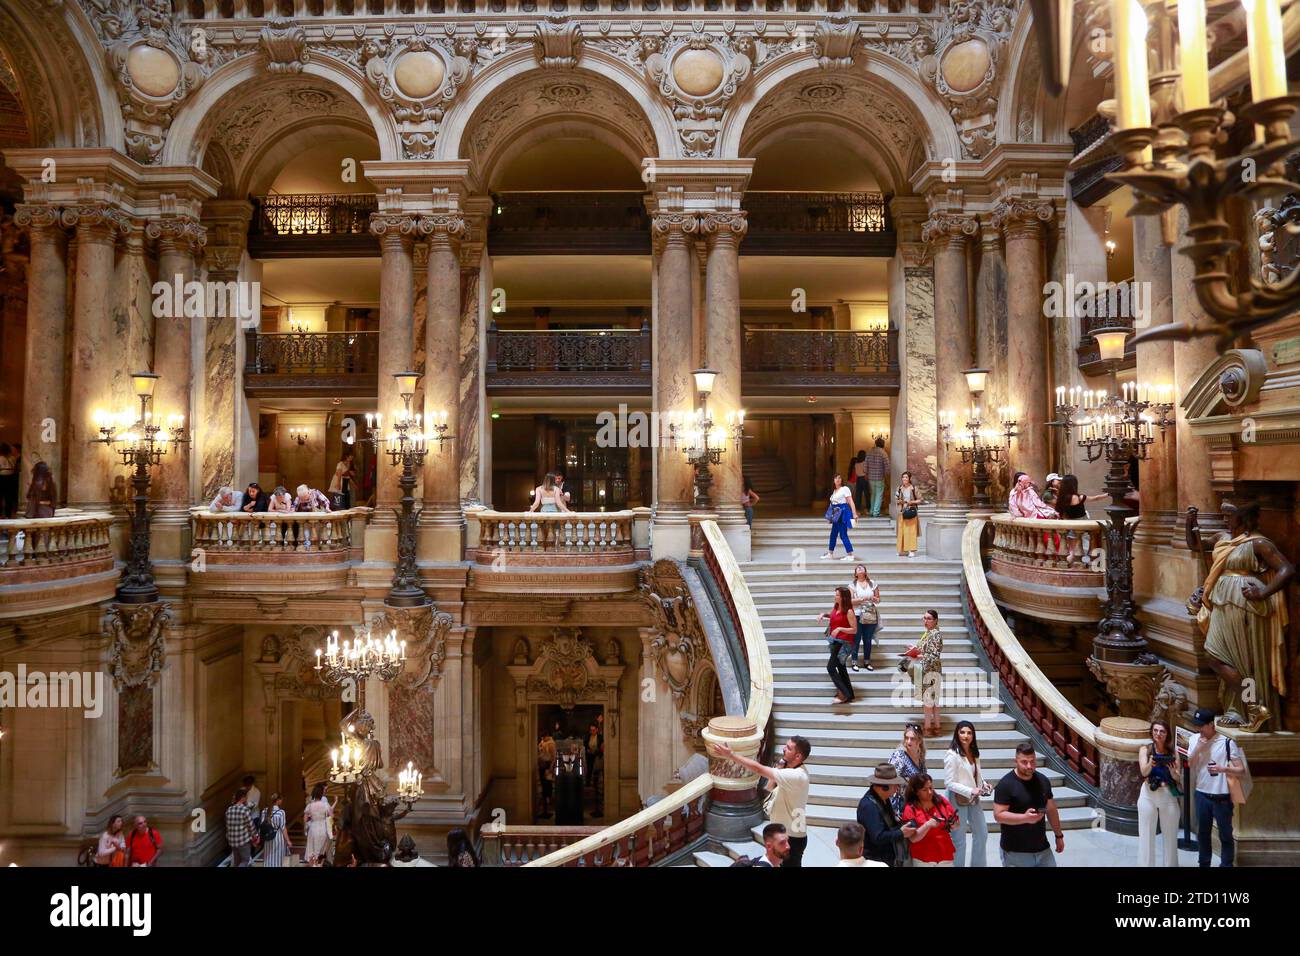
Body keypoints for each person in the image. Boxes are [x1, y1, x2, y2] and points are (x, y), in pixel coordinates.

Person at [1187, 501, 1294, 731]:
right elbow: (1195, 545)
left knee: (1239, 661)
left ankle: (1251, 709)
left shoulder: (1258, 543)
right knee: (1216, 656)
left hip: (1245, 605)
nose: (1225, 519)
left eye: (1230, 515)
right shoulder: (1221, 538)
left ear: (1243, 517)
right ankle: (1250, 707)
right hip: (1223, 602)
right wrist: (1189, 522)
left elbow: (1287, 569)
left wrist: (1263, 591)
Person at [712, 736, 811, 868]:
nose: (783, 749)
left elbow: (759, 769)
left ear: (798, 756)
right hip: (785, 834)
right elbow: (769, 788)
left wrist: (731, 755)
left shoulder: (797, 776)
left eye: (788, 748)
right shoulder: (789, 771)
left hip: (792, 837)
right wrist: (780, 767)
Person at [1187, 707, 1247, 867]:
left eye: (1201, 726)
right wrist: (1199, 748)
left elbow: (1241, 770)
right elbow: (1190, 764)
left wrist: (1223, 769)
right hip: (1201, 794)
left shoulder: (1227, 742)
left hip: (1222, 797)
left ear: (1211, 725)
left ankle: (1226, 865)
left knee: (1226, 835)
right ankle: (1204, 863)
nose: (1198, 729)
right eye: (1196, 725)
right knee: (1203, 834)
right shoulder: (1194, 740)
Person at [993, 742, 1064, 867]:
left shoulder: (1043, 781)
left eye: (1032, 761)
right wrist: (1025, 818)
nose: (1029, 766)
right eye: (1024, 762)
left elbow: (1051, 809)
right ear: (1016, 760)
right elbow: (999, 815)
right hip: (1015, 851)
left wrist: (1059, 835)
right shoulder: (1006, 784)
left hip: (1042, 849)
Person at [944, 720, 991, 867]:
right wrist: (970, 790)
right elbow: (949, 783)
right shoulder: (952, 755)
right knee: (959, 839)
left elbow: (975, 775)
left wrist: (984, 785)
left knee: (982, 833)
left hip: (973, 798)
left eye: (969, 733)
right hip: (957, 798)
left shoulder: (975, 752)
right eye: (962, 732)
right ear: (957, 734)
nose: (966, 735)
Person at [1137, 719, 1182, 867]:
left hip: (1167, 794)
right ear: (1152, 732)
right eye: (1156, 730)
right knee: (1146, 837)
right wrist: (1151, 763)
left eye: (1162, 731)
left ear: (1167, 734)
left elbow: (1177, 777)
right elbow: (1143, 771)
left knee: (1170, 838)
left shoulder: (1174, 752)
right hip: (1148, 794)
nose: (1158, 734)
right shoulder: (1145, 749)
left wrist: (1172, 771)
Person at [855, 763, 915, 866]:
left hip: (886, 859)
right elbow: (878, 837)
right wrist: (901, 833)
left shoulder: (884, 799)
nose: (897, 788)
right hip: (876, 860)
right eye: (895, 785)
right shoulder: (869, 806)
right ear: (884, 787)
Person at [901, 773, 958, 866]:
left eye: (931, 788)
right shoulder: (910, 809)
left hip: (945, 856)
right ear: (916, 791)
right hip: (923, 858)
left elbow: (957, 825)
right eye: (924, 790)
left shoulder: (941, 801)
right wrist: (928, 825)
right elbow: (913, 838)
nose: (930, 792)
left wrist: (953, 823)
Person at [817, 586, 857, 704]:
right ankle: (849, 694)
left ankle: (843, 693)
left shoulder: (849, 611)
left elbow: (854, 630)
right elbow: (833, 616)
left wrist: (840, 629)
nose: (835, 596)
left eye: (837, 595)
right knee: (841, 667)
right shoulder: (836, 607)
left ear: (843, 597)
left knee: (830, 667)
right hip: (835, 642)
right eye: (835, 594)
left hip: (844, 643)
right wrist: (823, 614)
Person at [909, 609, 943, 737]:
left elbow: (934, 656)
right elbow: (925, 650)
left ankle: (928, 728)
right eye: (924, 618)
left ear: (935, 621)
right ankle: (937, 727)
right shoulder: (929, 633)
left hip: (931, 670)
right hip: (927, 669)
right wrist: (913, 650)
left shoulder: (935, 634)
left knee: (929, 700)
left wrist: (919, 656)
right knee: (933, 700)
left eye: (929, 618)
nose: (925, 621)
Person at [887, 722, 927, 816]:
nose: (908, 741)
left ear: (919, 741)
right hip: (898, 805)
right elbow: (890, 779)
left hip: (914, 803)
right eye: (906, 738)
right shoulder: (899, 756)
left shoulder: (921, 758)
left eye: (912, 739)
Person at [847, 563, 880, 672]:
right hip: (857, 614)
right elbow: (850, 601)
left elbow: (878, 599)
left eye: (862, 568)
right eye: (858, 569)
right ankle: (854, 662)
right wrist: (863, 599)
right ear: (855, 573)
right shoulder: (852, 585)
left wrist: (874, 599)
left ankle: (867, 662)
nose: (860, 569)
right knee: (856, 639)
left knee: (867, 639)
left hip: (870, 613)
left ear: (865, 571)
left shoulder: (873, 583)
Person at [821, 473, 857, 561]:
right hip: (836, 515)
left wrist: (854, 513)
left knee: (843, 534)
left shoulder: (845, 489)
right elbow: (832, 505)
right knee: (833, 534)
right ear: (833, 480)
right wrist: (830, 518)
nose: (838, 479)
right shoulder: (834, 491)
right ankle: (830, 553)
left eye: (839, 478)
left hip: (843, 513)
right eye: (836, 478)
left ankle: (850, 554)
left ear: (841, 480)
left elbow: (850, 502)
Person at [225, 787, 257, 867]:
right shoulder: (245, 810)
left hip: (232, 841)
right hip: (243, 841)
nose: (246, 798)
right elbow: (251, 827)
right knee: (245, 861)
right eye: (246, 797)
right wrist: (255, 837)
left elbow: (227, 826)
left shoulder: (229, 810)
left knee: (237, 861)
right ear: (243, 798)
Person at [304, 783, 333, 865]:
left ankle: (312, 865)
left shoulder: (310, 805)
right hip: (323, 829)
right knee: (321, 852)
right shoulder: (325, 805)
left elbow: (305, 819)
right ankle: (319, 865)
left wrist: (305, 829)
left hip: (313, 828)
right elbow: (331, 816)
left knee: (311, 851)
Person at [895, 470, 920, 557]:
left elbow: (920, 499)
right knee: (901, 531)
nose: (904, 479)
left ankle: (911, 550)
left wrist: (911, 502)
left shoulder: (914, 488)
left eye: (906, 477)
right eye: (903, 477)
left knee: (911, 532)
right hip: (902, 512)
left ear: (909, 478)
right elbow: (896, 498)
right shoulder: (899, 488)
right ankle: (901, 549)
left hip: (911, 511)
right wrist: (900, 501)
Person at [262, 793, 291, 867]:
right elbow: (283, 828)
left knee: (268, 857)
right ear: (278, 800)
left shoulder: (264, 811)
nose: (282, 801)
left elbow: (262, 825)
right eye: (281, 799)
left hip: (267, 836)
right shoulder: (281, 812)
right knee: (278, 858)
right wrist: (288, 840)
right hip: (278, 836)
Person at [864, 437, 890, 517]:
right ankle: (876, 512)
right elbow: (887, 466)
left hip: (871, 477)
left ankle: (872, 511)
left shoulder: (869, 452)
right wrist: (887, 474)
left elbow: (865, 464)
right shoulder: (883, 453)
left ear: (875, 443)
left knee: (873, 494)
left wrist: (866, 473)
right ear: (883, 444)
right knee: (879, 494)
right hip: (879, 477)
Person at [537, 730, 557, 818]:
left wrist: (550, 769)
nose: (542, 739)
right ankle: (544, 808)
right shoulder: (542, 742)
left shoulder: (551, 744)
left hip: (547, 766)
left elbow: (553, 757)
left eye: (543, 737)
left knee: (547, 786)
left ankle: (547, 809)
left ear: (547, 736)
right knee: (543, 785)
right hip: (542, 766)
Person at [0, 442, 17, 518]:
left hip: (2, 478)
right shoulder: (12, 458)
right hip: (11, 478)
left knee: (0, 497)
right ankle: (8, 514)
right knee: (9, 497)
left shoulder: (0, 458)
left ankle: (0, 514)